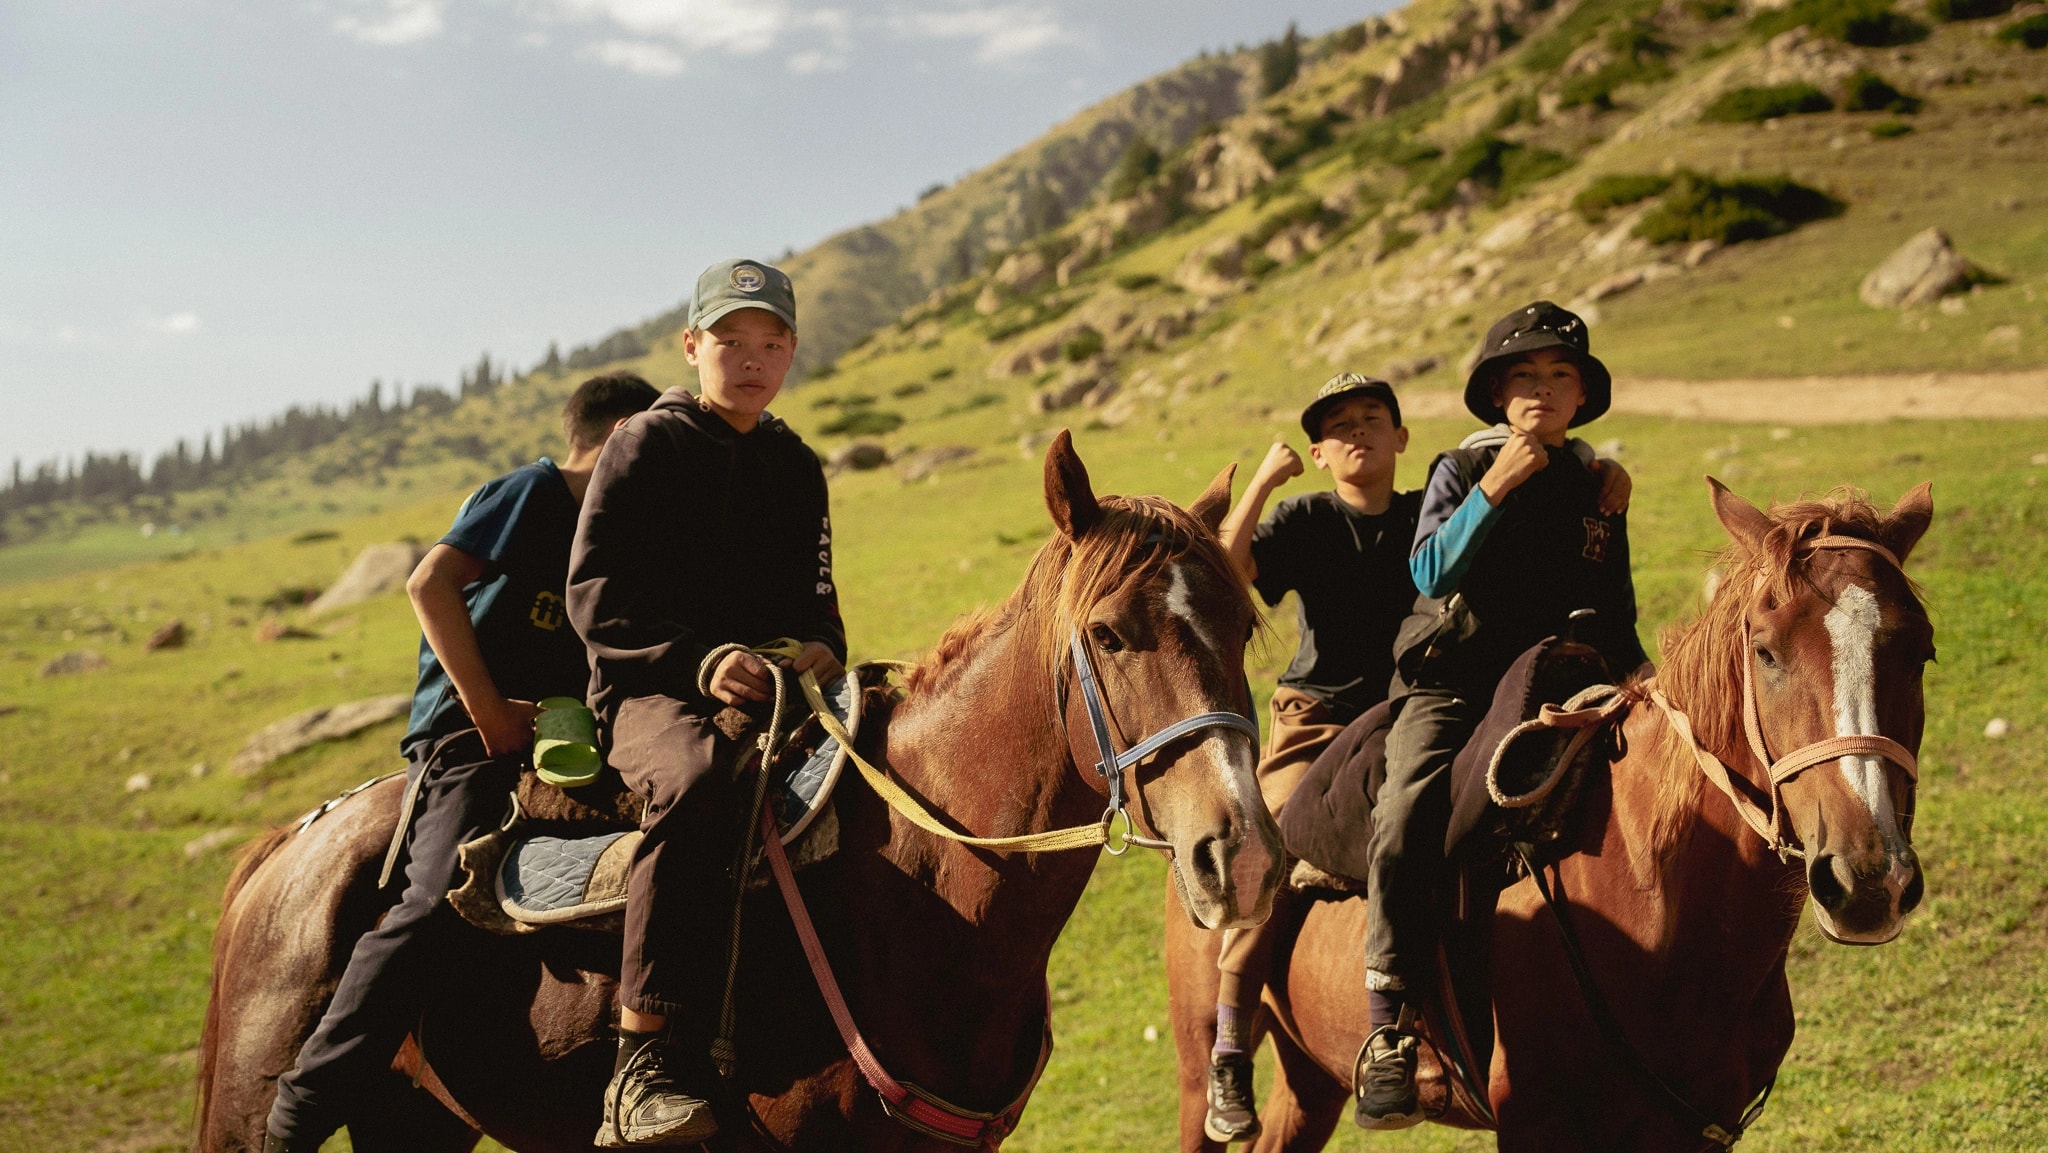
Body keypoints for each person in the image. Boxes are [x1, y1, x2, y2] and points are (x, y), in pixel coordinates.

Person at [1202, 374, 1630, 1143]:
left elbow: (1491, 537)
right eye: (1339, 426)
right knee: (1264, 858)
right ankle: (1230, 1042)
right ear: (1319, 450)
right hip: (1321, 714)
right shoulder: (1306, 516)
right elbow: (1227, 573)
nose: (1358, 433)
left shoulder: (1423, 507)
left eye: (1374, 419)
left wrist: (1596, 469)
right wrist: (1265, 479)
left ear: (1403, 438)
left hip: (1406, 697)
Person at [264, 371, 662, 1153]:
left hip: (566, 742)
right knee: (431, 901)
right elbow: (429, 582)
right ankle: (298, 1115)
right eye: (653, 446)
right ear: (619, 437)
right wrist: (485, 708)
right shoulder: (532, 493)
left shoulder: (619, 534)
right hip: (469, 739)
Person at [566, 259, 846, 1148]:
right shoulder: (645, 443)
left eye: (770, 343)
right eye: (730, 341)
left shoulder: (797, 466)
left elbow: (820, 605)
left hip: (772, 691)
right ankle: (640, 1058)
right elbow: (594, 595)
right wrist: (699, 660)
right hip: (650, 689)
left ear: (792, 352)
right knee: (692, 780)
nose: (751, 359)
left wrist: (817, 647)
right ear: (693, 347)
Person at [1354, 302, 1650, 1130]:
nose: (1543, 390)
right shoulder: (1460, 465)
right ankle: (1388, 1028)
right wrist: (1494, 488)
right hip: (1452, 679)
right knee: (1408, 805)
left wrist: (1644, 685)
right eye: (1525, 375)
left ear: (1582, 395)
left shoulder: (1598, 486)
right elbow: (1430, 568)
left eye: (1562, 375)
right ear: (1495, 392)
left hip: (1556, 678)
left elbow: (1615, 608)